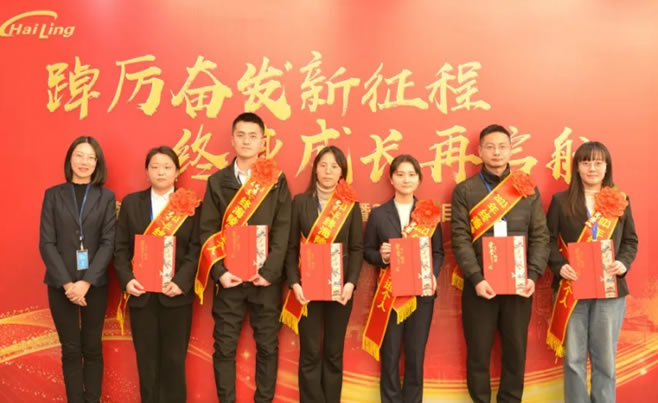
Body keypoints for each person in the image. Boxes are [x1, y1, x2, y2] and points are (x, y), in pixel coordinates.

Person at [450, 124, 549, 402]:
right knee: (478, 352)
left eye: (502, 146)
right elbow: (460, 239)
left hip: (519, 286)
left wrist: (532, 275)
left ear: (511, 150)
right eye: (490, 147)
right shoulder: (465, 190)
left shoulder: (526, 189)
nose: (496, 152)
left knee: (516, 351)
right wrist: (476, 278)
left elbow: (541, 236)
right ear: (480, 151)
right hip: (480, 286)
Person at [197, 112, 291, 403]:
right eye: (241, 135)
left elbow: (283, 229)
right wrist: (220, 273)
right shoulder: (217, 182)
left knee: (267, 347)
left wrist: (270, 272)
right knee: (224, 347)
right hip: (230, 280)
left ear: (263, 141)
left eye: (253, 136)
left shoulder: (276, 181)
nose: (246, 141)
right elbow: (207, 230)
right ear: (232, 139)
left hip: (265, 281)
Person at [546, 141, 638, 403]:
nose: (592, 168)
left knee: (605, 359)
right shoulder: (561, 201)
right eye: (586, 162)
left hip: (610, 289)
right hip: (572, 287)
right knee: (573, 358)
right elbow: (547, 240)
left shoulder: (620, 200)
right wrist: (559, 266)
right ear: (577, 167)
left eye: (598, 162)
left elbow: (630, 240)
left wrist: (623, 263)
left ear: (607, 167)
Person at [114, 146, 201, 403]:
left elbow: (196, 248)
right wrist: (127, 280)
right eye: (155, 167)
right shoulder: (132, 203)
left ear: (177, 172)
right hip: (141, 295)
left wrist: (181, 282)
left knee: (174, 362)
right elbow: (120, 248)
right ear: (147, 171)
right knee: (147, 363)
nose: (160, 172)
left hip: (176, 296)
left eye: (167, 167)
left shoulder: (192, 204)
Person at [284, 146, 363, 403]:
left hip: (341, 290)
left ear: (342, 172)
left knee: (333, 352)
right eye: (323, 165)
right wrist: (294, 283)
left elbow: (356, 248)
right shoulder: (300, 202)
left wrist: (351, 283)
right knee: (309, 351)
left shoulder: (350, 205)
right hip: (306, 289)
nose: (328, 171)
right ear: (315, 169)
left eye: (334, 166)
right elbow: (290, 247)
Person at [39, 136, 115, 403]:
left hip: (94, 283)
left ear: (97, 163)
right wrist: (68, 285)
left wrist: (86, 282)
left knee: (92, 348)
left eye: (91, 157)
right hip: (60, 283)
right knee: (70, 349)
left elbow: (108, 242)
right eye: (79, 155)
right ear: (70, 159)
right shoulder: (53, 195)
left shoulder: (106, 197)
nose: (84, 162)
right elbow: (46, 243)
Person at [363, 154, 444, 403]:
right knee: (389, 356)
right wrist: (382, 255)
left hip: (421, 295)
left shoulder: (429, 213)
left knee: (415, 356)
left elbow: (438, 252)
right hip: (390, 294)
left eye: (411, 174)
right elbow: (367, 251)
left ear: (419, 179)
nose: (406, 179)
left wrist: (432, 275)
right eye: (400, 174)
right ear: (391, 179)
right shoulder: (379, 215)